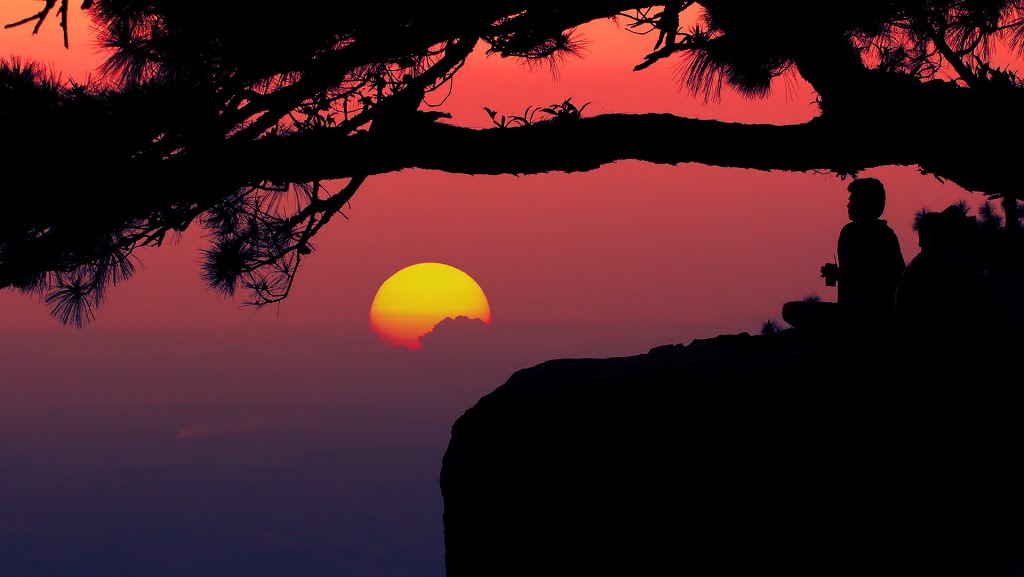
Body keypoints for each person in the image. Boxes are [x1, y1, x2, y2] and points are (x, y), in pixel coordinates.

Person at [782, 178, 906, 333]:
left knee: (791, 311)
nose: (848, 205)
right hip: (851, 310)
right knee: (790, 310)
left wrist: (840, 275)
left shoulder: (883, 236)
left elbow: (885, 280)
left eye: (853, 201)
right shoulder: (850, 232)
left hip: (871, 314)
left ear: (865, 204)